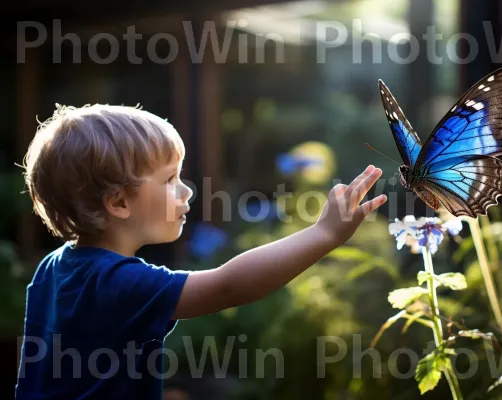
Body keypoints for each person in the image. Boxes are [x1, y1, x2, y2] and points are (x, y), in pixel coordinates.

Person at [14, 104, 388, 399]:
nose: (187, 191)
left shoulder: (53, 268)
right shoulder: (120, 284)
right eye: (170, 180)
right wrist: (323, 234)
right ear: (118, 201)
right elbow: (229, 286)